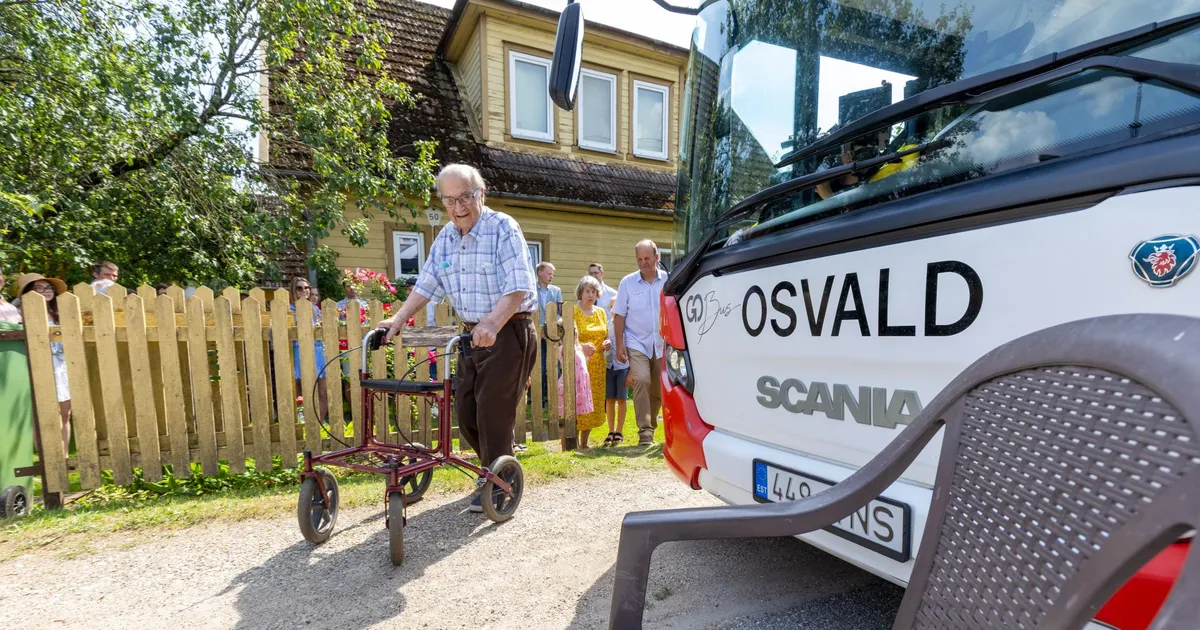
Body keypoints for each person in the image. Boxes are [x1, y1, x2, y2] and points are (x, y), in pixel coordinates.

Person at [378, 163, 538, 513]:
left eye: (465, 197)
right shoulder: (446, 238)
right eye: (449, 200)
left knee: (492, 411)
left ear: (481, 194)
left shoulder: (502, 228)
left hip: (508, 329)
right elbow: (426, 285)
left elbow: (519, 285)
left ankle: (499, 482)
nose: (458, 207)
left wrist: (493, 323)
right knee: (465, 410)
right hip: (471, 334)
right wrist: (398, 319)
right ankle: (496, 469)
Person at [611, 239, 668, 446]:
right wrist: (620, 344)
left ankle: (651, 424)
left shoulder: (668, 281)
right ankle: (645, 431)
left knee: (658, 389)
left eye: (647, 258)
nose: (643, 263)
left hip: (662, 342)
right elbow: (619, 315)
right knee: (641, 379)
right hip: (636, 341)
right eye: (639, 259)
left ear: (656, 257)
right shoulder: (628, 283)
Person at [18, 273, 72, 452]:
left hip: (62, 366)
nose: (45, 291)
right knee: (42, 415)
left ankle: (63, 456)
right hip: (37, 366)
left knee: (65, 413)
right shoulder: (21, 313)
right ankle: (46, 456)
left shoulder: (59, 313)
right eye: (38, 288)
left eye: (48, 287)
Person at [569, 275, 610, 450]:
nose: (591, 295)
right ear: (581, 292)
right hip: (579, 366)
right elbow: (566, 338)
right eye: (587, 291)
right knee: (579, 402)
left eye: (594, 291)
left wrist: (608, 342)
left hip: (598, 366)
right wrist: (580, 346)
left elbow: (606, 333)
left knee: (593, 404)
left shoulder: (600, 312)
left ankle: (584, 443)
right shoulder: (573, 311)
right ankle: (573, 442)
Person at [289, 276, 329, 422]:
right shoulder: (289, 310)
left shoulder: (314, 309)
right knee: (300, 391)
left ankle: (319, 423)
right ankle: (302, 422)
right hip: (299, 351)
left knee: (323, 391)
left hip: (318, 350)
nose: (304, 291)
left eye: (306, 287)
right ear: (293, 290)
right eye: (300, 288)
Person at [535, 261, 562, 407]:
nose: (551, 276)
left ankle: (554, 398)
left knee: (553, 366)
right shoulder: (531, 289)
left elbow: (559, 312)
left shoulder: (556, 291)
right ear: (540, 273)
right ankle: (537, 399)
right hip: (537, 335)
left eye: (552, 274)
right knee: (539, 366)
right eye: (549, 273)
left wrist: (555, 327)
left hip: (551, 335)